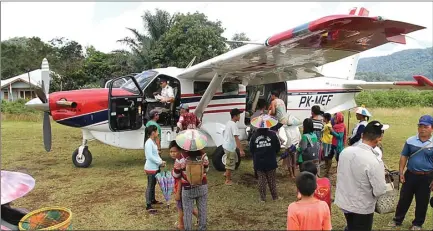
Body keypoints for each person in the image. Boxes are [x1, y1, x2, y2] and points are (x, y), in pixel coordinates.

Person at [335, 120, 389, 231]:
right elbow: (379, 190)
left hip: (344, 202)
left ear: (362, 135)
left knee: (351, 226)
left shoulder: (345, 152)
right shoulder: (374, 160)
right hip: (361, 207)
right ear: (379, 138)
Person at [388, 115, 433, 230]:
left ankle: (417, 223)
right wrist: (401, 172)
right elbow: (404, 156)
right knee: (404, 198)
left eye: (425, 126)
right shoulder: (410, 140)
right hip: (410, 174)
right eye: (420, 126)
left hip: (426, 177)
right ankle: (397, 220)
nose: (422, 129)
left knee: (422, 201)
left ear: (431, 128)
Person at [172, 130, 210, 231]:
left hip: (187, 188)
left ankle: (188, 228)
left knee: (187, 211)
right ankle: (202, 228)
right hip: (202, 186)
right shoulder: (203, 155)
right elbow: (206, 169)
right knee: (202, 209)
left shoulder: (181, 157)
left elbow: (176, 174)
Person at [249, 116, 281, 202]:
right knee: (272, 180)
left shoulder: (254, 136)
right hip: (271, 161)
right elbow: (278, 147)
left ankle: (262, 198)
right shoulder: (273, 135)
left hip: (259, 162)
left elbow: (251, 149)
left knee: (261, 180)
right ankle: (275, 197)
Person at [169, 141, 198, 230]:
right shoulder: (185, 158)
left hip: (182, 188)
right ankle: (200, 218)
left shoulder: (180, 161)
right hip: (187, 187)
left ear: (180, 150)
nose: (173, 153)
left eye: (175, 151)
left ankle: (181, 225)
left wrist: (177, 192)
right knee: (187, 207)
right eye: (171, 151)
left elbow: (178, 177)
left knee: (180, 208)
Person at [144, 125, 166, 212]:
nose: (158, 133)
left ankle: (152, 200)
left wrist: (161, 162)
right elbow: (150, 156)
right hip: (151, 168)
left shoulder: (152, 142)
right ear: (153, 132)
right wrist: (160, 162)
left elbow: (156, 155)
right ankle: (148, 205)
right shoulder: (149, 143)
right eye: (157, 131)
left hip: (155, 167)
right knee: (150, 185)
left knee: (153, 185)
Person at [223, 108, 245, 185]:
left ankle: (226, 173)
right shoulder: (234, 125)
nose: (240, 116)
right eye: (239, 115)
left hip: (226, 146)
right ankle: (227, 180)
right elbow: (237, 139)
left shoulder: (228, 123)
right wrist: (241, 150)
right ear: (235, 116)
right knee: (230, 163)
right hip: (230, 147)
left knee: (231, 160)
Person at [321, 113, 333, 177]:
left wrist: (322, 125)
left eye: (323, 118)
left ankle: (327, 168)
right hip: (330, 141)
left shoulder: (326, 126)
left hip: (326, 141)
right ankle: (327, 167)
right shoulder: (330, 124)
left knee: (326, 155)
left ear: (325, 119)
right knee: (327, 154)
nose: (322, 119)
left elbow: (321, 130)